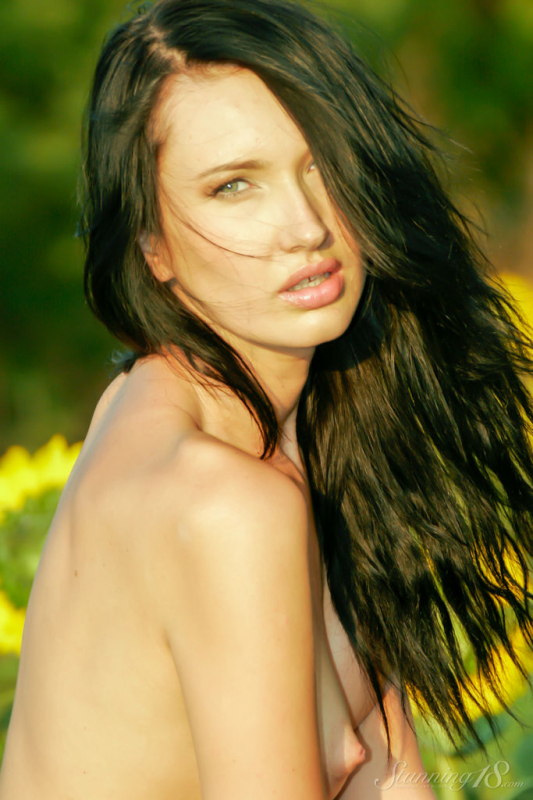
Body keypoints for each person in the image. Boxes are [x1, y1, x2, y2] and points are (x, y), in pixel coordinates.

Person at [1, 0, 532, 797]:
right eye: (233, 186)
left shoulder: (269, 423)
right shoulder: (223, 502)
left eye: (320, 164)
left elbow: (389, 775)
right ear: (151, 244)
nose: (305, 225)